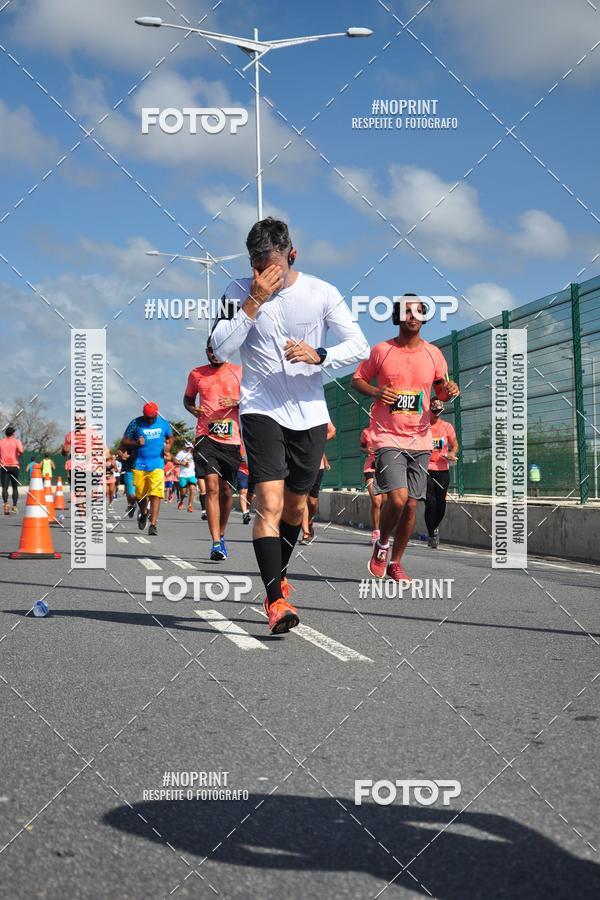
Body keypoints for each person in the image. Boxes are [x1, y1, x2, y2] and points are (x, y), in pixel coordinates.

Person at [212, 216, 369, 633]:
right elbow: (219, 349)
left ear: (292, 255)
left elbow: (359, 346)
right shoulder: (236, 291)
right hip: (260, 408)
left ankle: (277, 576)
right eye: (257, 267)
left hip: (310, 413)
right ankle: (275, 601)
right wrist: (253, 302)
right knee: (269, 503)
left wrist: (321, 355)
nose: (264, 276)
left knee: (297, 508)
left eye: (273, 268)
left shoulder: (322, 292)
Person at [352, 294, 460, 582]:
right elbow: (357, 379)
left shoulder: (433, 354)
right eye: (407, 311)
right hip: (388, 436)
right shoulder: (382, 351)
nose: (413, 315)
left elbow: (441, 392)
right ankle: (382, 545)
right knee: (398, 499)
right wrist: (376, 392)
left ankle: (396, 562)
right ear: (397, 317)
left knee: (412, 504)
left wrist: (450, 391)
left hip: (420, 439)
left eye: (419, 311)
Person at [184, 339, 242, 561]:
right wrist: (193, 409)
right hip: (205, 437)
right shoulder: (196, 374)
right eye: (210, 350)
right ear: (206, 351)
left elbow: (255, 400)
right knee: (211, 487)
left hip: (231, 439)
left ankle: (222, 534)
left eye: (218, 349)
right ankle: (216, 542)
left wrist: (236, 402)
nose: (214, 353)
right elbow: (187, 399)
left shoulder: (239, 372)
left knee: (226, 491)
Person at [122, 402, 172, 536]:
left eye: (152, 418)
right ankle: (144, 512)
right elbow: (124, 441)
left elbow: (171, 437)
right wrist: (136, 443)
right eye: (147, 418)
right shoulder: (135, 423)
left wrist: (168, 447)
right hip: (140, 464)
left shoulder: (163, 423)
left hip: (157, 464)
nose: (150, 420)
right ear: (143, 414)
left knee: (155, 494)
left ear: (157, 414)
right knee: (140, 495)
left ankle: (153, 525)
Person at [425, 399, 458, 548]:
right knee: (430, 503)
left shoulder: (447, 426)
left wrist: (451, 454)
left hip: (442, 469)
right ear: (428, 410)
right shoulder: (423, 427)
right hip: (426, 469)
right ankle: (431, 535)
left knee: (441, 506)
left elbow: (455, 445)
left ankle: (435, 528)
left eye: (440, 411)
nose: (437, 414)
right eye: (434, 411)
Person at [300, 421, 336, 543]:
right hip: (299, 465)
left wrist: (316, 440)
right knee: (303, 499)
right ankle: (306, 533)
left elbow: (332, 432)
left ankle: (309, 521)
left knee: (312, 502)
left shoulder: (318, 416)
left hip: (317, 466)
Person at [360, 424, 387, 543]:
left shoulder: (388, 431)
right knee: (376, 501)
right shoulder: (366, 432)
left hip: (385, 468)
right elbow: (361, 447)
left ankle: (383, 530)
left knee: (385, 502)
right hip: (370, 468)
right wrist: (366, 450)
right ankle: (376, 532)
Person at [0, 426, 24, 514]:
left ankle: (6, 506)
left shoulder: (1, 442)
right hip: (14, 466)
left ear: (6, 433)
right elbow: (21, 451)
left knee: (5, 487)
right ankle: (14, 506)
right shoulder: (17, 441)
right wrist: (18, 455)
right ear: (13, 433)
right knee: (15, 487)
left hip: (4, 467)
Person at [175, 442, 197, 512]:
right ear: (185, 447)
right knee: (183, 493)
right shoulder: (181, 453)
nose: (188, 448)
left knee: (192, 490)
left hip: (192, 474)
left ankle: (190, 506)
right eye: (187, 447)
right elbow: (175, 461)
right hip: (183, 475)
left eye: (190, 447)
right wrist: (182, 463)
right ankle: (181, 501)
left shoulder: (194, 453)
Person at [117, 446, 137, 517]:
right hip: (130, 471)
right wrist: (123, 455)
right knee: (132, 495)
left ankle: (144, 512)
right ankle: (131, 505)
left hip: (144, 471)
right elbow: (119, 450)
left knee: (143, 495)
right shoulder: (128, 442)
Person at [237, 453, 253, 525]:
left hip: (254, 469)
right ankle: (245, 513)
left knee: (250, 493)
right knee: (243, 490)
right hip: (242, 468)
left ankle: (247, 510)